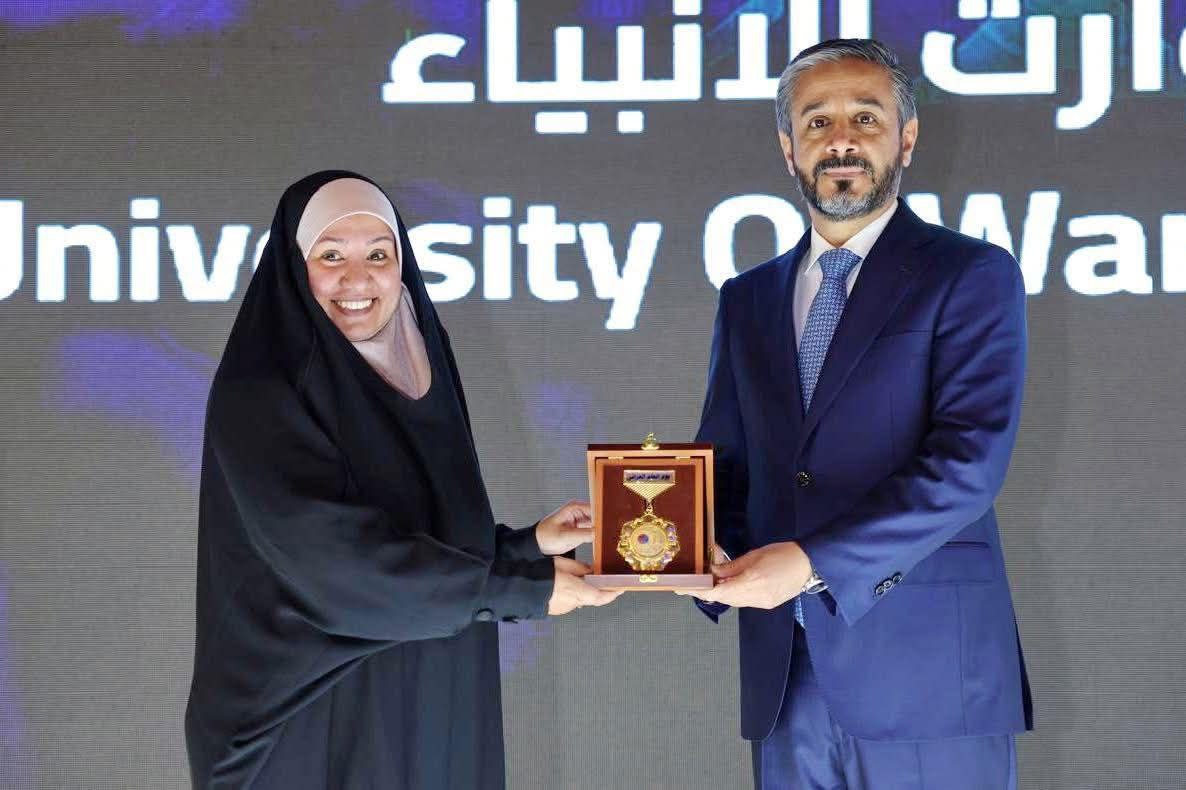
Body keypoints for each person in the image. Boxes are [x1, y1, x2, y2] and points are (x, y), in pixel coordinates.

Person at [184, 171, 620, 789]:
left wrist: (526, 548)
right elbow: (332, 561)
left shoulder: (419, 362)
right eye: (330, 256)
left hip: (426, 697)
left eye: (378, 255)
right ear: (293, 268)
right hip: (309, 713)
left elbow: (415, 533)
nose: (357, 279)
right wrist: (519, 589)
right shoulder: (261, 390)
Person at [680, 39, 1033, 788]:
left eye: (865, 118)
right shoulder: (747, 298)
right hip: (786, 680)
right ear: (789, 147)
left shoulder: (970, 274)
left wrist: (813, 563)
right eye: (817, 121)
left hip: (928, 679)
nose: (841, 139)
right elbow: (726, 467)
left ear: (907, 138)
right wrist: (680, 551)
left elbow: (967, 467)